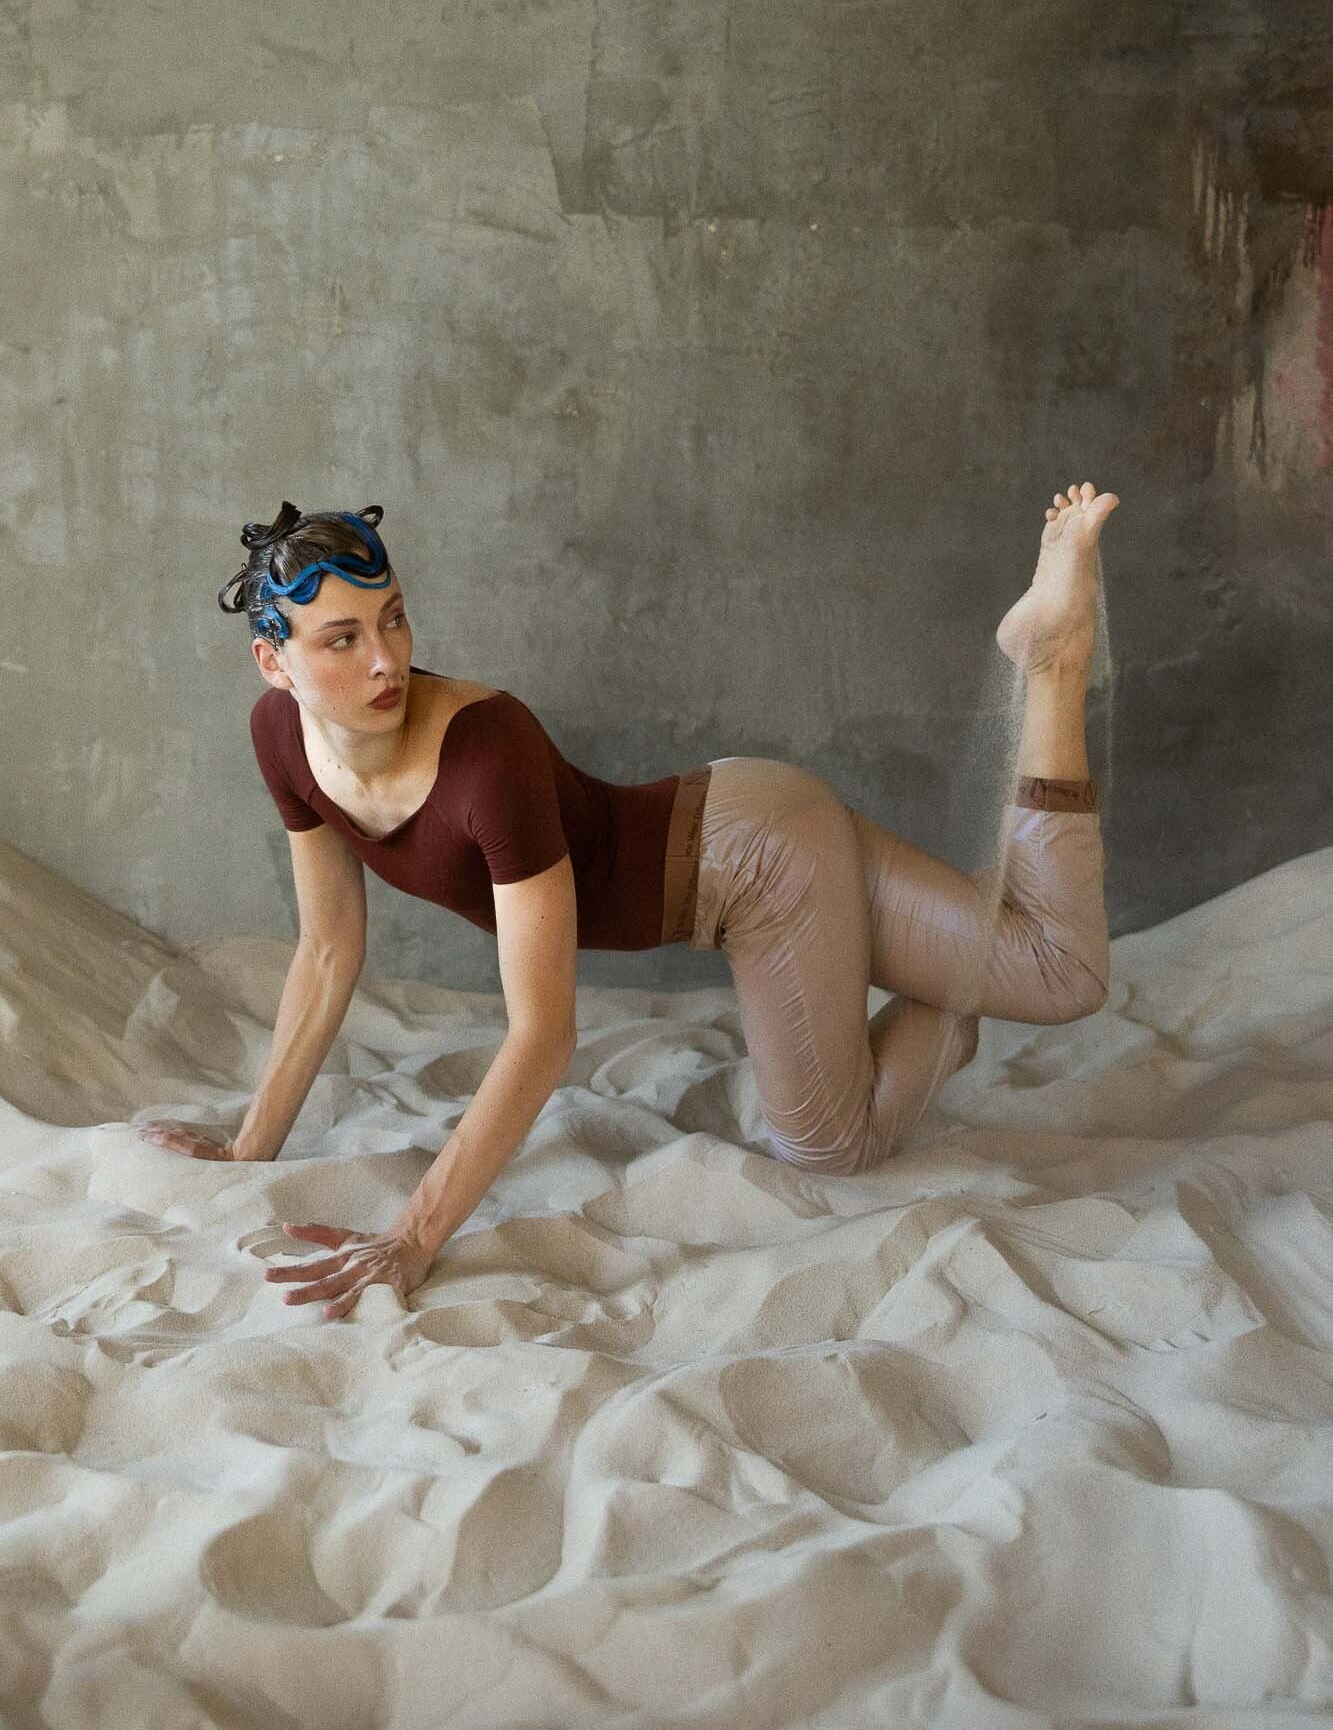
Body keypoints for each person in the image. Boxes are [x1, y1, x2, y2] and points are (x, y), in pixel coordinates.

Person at [142, 485, 1119, 1319]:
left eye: (393, 617)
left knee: (833, 1144)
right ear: (273, 662)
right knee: (1057, 971)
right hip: (760, 834)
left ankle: (1051, 670)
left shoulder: (488, 752)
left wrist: (413, 1236)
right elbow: (327, 949)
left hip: (758, 861)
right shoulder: (280, 738)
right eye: (342, 639)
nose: (385, 659)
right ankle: (965, 941)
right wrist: (247, 1148)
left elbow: (543, 1035)